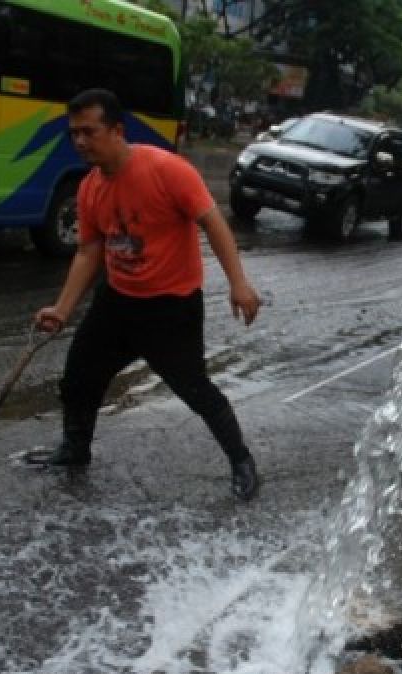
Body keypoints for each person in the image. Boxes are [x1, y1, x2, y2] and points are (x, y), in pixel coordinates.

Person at [33, 88, 262, 501]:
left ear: (117, 130)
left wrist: (239, 284)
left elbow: (214, 223)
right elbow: (89, 250)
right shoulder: (88, 188)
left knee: (195, 389)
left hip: (170, 306)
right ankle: (75, 449)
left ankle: (242, 460)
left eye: (89, 132)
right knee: (79, 377)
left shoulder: (166, 170)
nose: (80, 142)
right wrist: (62, 309)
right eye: (74, 134)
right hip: (117, 301)